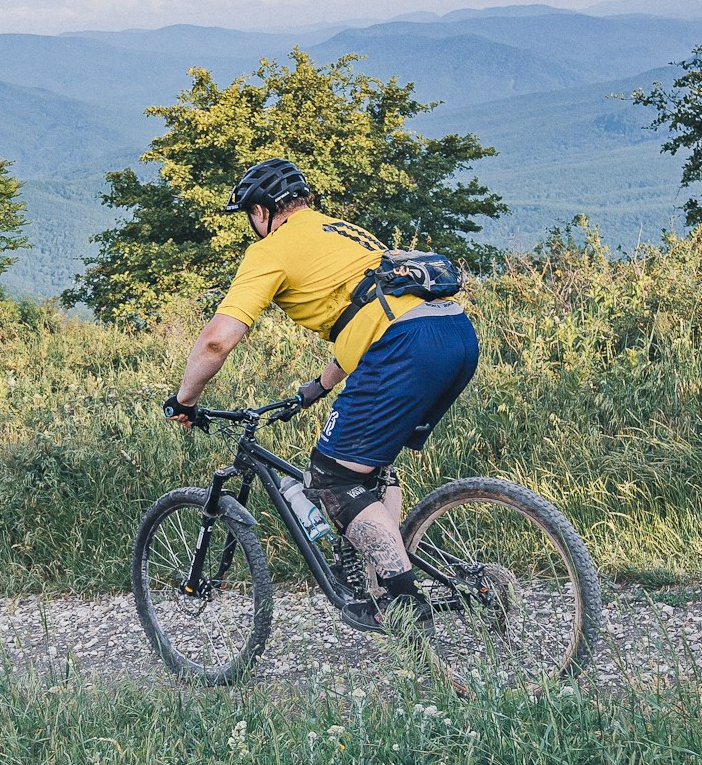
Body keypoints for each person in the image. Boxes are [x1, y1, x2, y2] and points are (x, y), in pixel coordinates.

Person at [161, 158, 479, 626]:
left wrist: (184, 400)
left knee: (331, 479)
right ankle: (383, 574)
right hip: (453, 335)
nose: (252, 225)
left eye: (250, 213)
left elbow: (216, 340)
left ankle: (403, 603)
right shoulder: (344, 231)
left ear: (264, 211)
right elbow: (365, 311)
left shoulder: (272, 249)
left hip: (404, 347)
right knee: (369, 467)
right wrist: (316, 388)